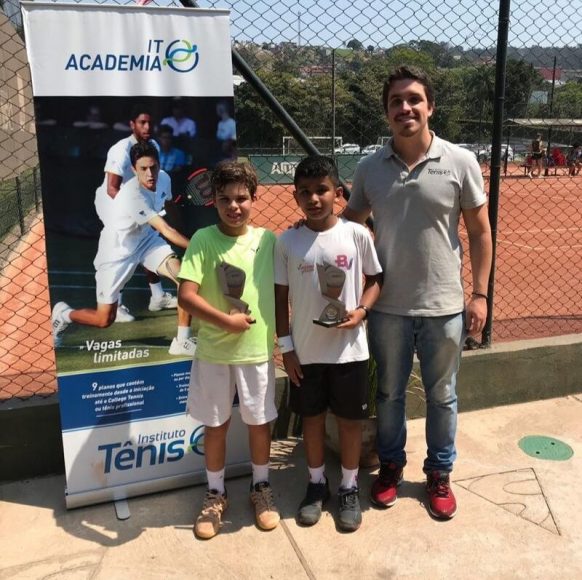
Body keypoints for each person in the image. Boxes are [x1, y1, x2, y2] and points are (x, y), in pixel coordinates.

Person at [343, 66, 492, 520]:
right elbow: (349, 223)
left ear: (430, 107)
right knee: (389, 395)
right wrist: (311, 228)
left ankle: (439, 473)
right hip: (387, 306)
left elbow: (480, 231)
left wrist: (480, 294)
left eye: (413, 99)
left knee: (442, 395)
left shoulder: (460, 161)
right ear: (386, 111)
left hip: (444, 306)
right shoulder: (370, 168)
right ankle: (390, 467)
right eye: (396, 101)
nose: (405, 108)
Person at [275, 156, 382, 532]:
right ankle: (317, 483)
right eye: (304, 192)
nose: (313, 198)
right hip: (306, 353)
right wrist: (286, 348)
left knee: (350, 422)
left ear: (337, 192)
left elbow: (375, 279)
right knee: (312, 420)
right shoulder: (287, 241)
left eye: (321, 190)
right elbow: (280, 298)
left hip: (349, 351)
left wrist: (362, 312)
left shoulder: (356, 234)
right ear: (295, 197)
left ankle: (349, 487)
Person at [178, 161, 279, 540]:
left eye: (241, 198)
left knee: (259, 422)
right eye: (225, 199)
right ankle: (215, 494)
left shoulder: (268, 240)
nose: (234, 206)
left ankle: (261, 487)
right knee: (216, 426)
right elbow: (186, 295)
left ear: (254, 198)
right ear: (214, 201)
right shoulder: (203, 240)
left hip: (256, 351)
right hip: (214, 353)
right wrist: (226, 321)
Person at [52, 142, 197, 357]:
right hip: (117, 252)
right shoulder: (131, 194)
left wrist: (184, 232)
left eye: (153, 167)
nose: (150, 174)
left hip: (146, 241)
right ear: (133, 169)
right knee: (104, 319)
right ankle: (64, 314)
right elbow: (165, 229)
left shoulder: (164, 178)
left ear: (159, 165)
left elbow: (168, 206)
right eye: (143, 169)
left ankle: (181, 341)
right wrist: (198, 245)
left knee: (184, 277)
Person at [95, 104, 178, 320]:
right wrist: (136, 211)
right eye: (142, 122)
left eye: (150, 122)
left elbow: (155, 179)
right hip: (113, 203)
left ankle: (158, 296)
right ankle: (117, 304)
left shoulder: (153, 145)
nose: (147, 127)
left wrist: (149, 208)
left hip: (139, 200)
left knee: (148, 240)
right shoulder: (120, 149)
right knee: (124, 248)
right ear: (132, 124)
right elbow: (112, 188)